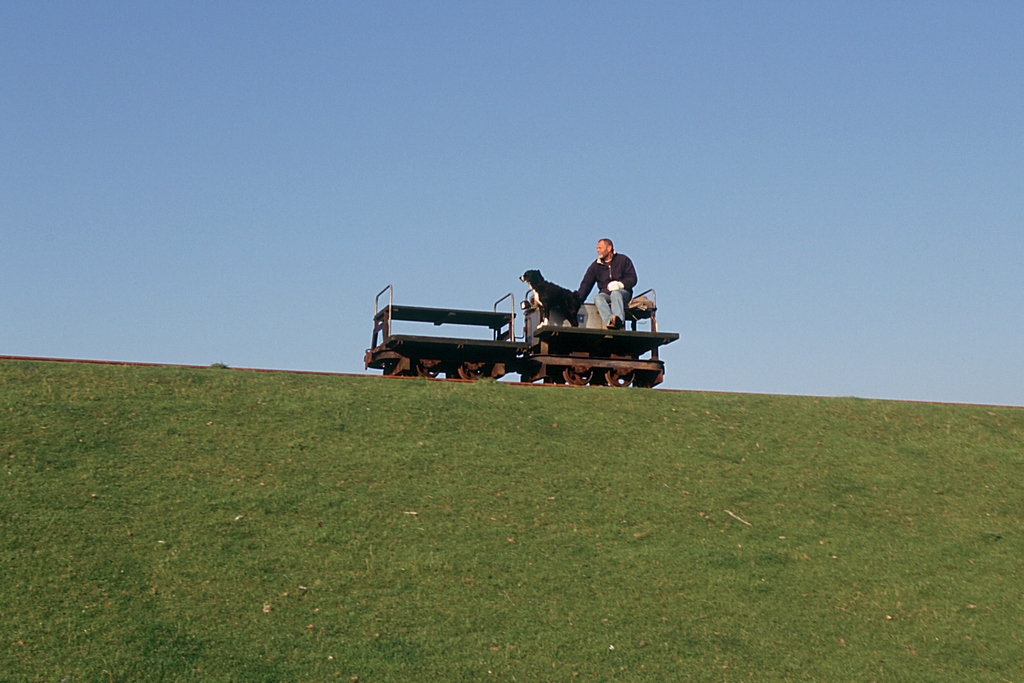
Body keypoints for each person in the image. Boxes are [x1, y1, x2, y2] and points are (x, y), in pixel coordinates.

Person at [576, 238, 637, 330]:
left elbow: (633, 278)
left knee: (615, 294)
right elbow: (586, 285)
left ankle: (619, 322)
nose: (598, 251)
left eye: (600, 248)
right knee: (598, 297)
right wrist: (576, 300)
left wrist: (620, 285)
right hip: (606, 293)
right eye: (597, 248)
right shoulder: (595, 266)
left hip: (623, 292)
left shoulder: (623, 260)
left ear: (609, 248)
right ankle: (611, 321)